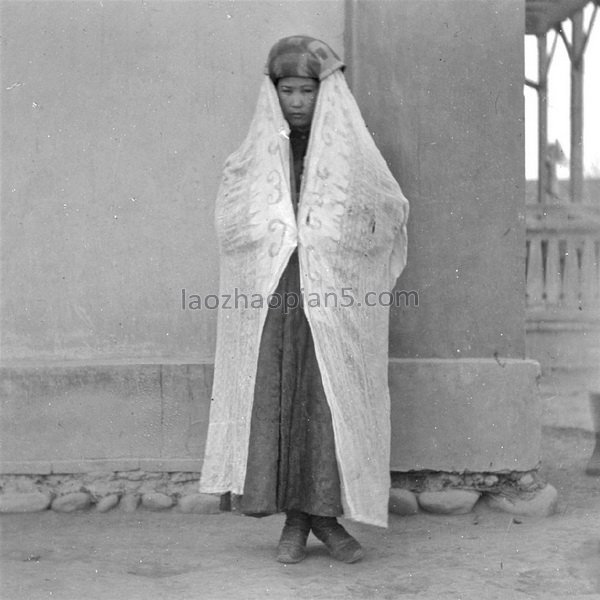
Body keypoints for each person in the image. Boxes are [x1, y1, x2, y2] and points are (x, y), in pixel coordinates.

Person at [199, 35, 409, 564]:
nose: (296, 101)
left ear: (325, 94)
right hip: (277, 297)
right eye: (287, 90)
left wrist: (336, 241)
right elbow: (233, 222)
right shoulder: (256, 155)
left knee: (329, 400)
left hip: (335, 301)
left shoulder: (352, 155)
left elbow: (385, 210)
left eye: (307, 91)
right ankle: (294, 521)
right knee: (281, 398)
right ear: (273, 94)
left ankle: (325, 520)